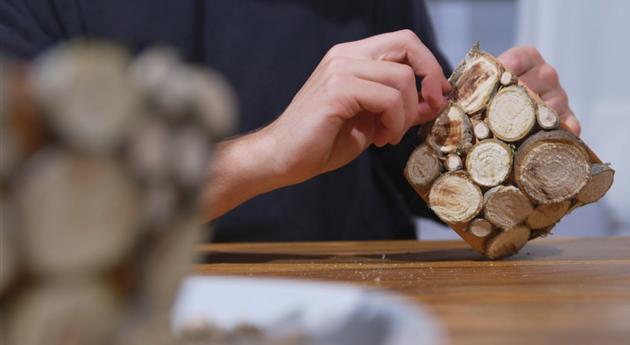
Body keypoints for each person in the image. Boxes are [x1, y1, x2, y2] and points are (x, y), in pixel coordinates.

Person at [0, 1, 580, 242]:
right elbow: (28, 215)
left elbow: (420, 161)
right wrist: (263, 157)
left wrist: (517, 144)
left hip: (361, 307)